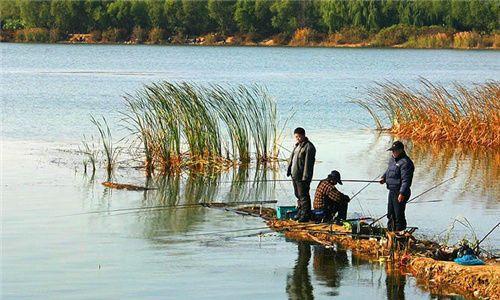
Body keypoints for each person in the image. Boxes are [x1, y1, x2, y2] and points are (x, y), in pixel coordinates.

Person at [379, 141, 415, 232]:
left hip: (400, 192)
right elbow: (389, 170)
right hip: (392, 190)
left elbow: (406, 180)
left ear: (401, 150)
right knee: (390, 214)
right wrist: (384, 177)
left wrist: (402, 193)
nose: (393, 152)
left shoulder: (406, 163)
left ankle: (399, 234)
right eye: (392, 150)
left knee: (398, 215)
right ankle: (390, 232)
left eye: (394, 151)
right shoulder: (393, 159)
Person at [287, 127, 316, 222]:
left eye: (299, 136)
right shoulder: (297, 146)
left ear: (303, 135)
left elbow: (308, 164)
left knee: (303, 196)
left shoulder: (309, 147)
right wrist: (289, 170)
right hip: (294, 175)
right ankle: (300, 212)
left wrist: (305, 177)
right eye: (296, 137)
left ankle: (305, 215)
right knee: (298, 195)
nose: (298, 138)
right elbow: (292, 159)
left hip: (302, 177)